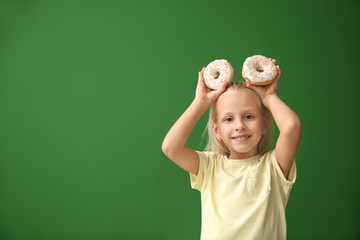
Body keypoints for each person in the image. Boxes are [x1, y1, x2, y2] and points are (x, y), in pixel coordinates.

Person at [162, 58, 302, 240]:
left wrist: (269, 97)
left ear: (265, 124)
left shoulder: (274, 167)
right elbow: (171, 147)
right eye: (228, 119)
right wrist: (201, 101)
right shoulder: (209, 167)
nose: (239, 126)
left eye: (249, 116)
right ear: (217, 130)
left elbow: (292, 127)